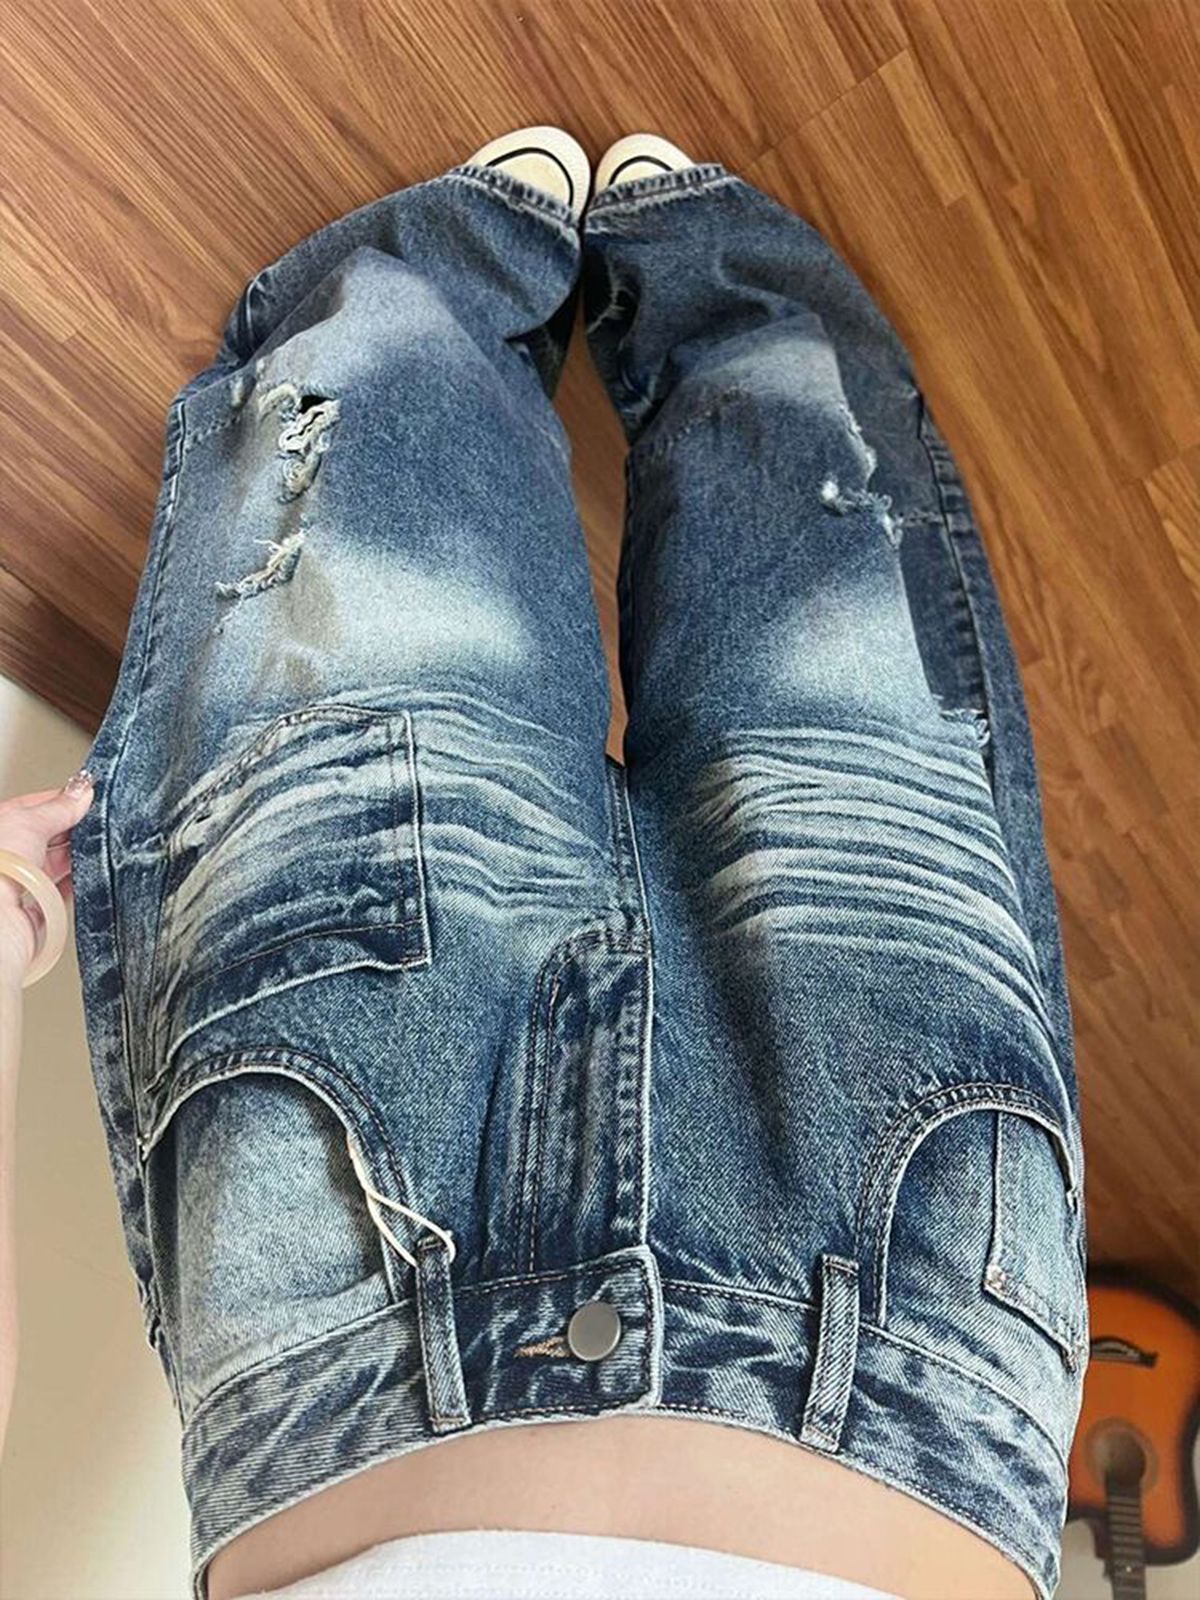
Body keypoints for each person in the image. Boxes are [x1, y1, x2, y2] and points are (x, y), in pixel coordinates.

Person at [0, 127, 1088, 1600]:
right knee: (830, 597)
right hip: (911, 1361)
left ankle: (471, 274)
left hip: (352, 1317)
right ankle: (716, 280)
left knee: (383, 495)